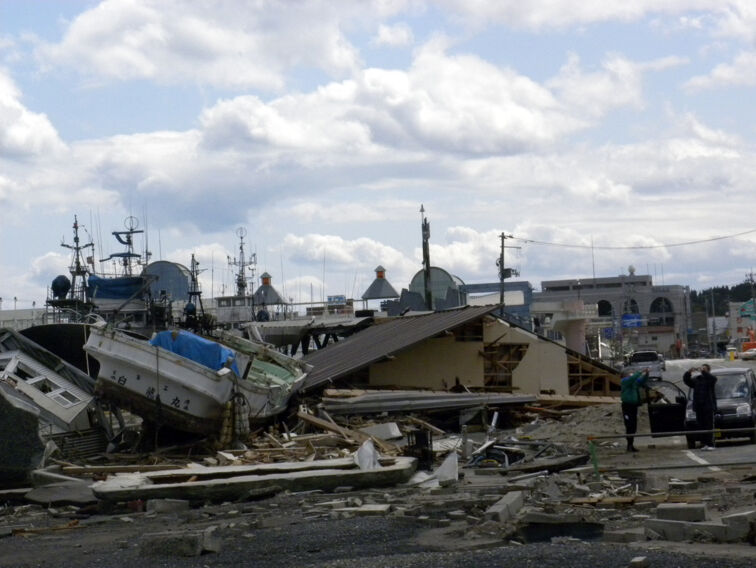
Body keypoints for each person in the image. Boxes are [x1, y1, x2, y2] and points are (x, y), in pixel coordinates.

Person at [683, 364, 718, 450]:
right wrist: (688, 372)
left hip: (708, 407)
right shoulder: (697, 380)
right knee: (701, 426)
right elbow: (687, 381)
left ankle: (710, 444)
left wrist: (703, 371)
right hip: (699, 407)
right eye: (702, 368)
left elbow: (713, 379)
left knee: (709, 426)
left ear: (708, 371)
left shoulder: (711, 379)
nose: (702, 370)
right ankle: (704, 443)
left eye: (705, 369)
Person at [620, 367, 650, 452]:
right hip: (627, 406)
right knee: (629, 425)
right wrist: (640, 372)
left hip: (633, 406)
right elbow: (633, 378)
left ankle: (631, 444)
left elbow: (642, 381)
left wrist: (647, 374)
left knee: (633, 426)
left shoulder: (633, 382)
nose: (631, 373)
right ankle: (629, 445)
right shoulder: (625, 381)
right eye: (630, 372)